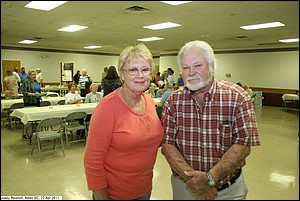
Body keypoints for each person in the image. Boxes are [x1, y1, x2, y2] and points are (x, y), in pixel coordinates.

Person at [161, 40, 260, 200]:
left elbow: (243, 146)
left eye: (197, 65)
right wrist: (194, 181)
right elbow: (167, 145)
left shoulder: (237, 97)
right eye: (186, 68)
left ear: (212, 66)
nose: (191, 72)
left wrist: (209, 178)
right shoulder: (173, 102)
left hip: (228, 191)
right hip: (185, 189)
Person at [84, 43, 164, 200]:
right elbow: (93, 160)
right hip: (115, 194)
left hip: (144, 189)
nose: (140, 75)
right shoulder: (107, 107)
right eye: (133, 70)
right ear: (121, 74)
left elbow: (150, 139)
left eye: (145, 69)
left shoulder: (149, 101)